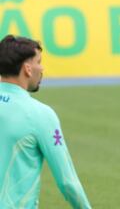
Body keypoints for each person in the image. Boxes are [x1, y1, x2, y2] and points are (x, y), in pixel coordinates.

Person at [0, 35, 91, 208]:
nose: (41, 68)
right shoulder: (40, 114)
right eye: (39, 62)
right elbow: (67, 183)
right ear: (27, 69)